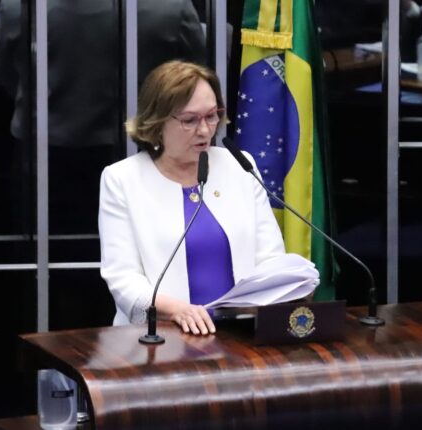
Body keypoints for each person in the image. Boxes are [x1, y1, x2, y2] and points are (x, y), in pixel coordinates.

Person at [98, 61, 285, 335]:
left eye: (212, 116)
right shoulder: (122, 179)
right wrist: (178, 310)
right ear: (157, 121)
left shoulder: (240, 165)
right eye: (190, 120)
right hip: (159, 339)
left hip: (242, 335)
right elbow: (123, 278)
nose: (206, 130)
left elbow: (270, 256)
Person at [0, 0, 207, 233]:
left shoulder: (19, 7)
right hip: (144, 156)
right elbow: (196, 83)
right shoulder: (170, 7)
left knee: (43, 257)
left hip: (44, 159)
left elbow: (10, 77)